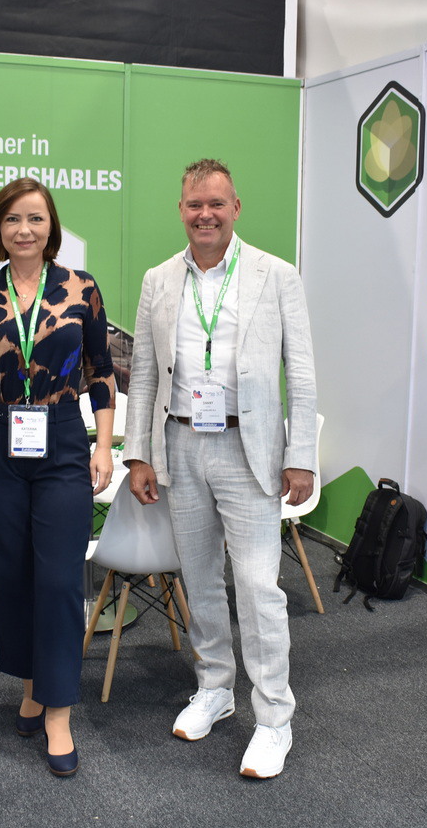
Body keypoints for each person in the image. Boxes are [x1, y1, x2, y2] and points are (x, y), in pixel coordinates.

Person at [122, 159, 317, 779]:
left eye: (215, 204)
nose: (204, 214)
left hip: (247, 447)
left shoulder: (276, 275)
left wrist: (301, 457)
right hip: (180, 444)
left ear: (235, 208)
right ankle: (214, 687)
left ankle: (274, 718)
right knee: (200, 579)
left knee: (258, 587)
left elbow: (301, 372)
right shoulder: (158, 279)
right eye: (193, 205)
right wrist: (138, 452)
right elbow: (144, 374)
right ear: (181, 210)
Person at [0, 178, 115, 778]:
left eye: (36, 218)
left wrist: (103, 446)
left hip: (62, 441)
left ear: (52, 227)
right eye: (13, 219)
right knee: (12, 574)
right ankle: (32, 688)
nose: (25, 229)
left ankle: (59, 711)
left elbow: (100, 371)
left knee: (60, 579)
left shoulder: (81, 288)